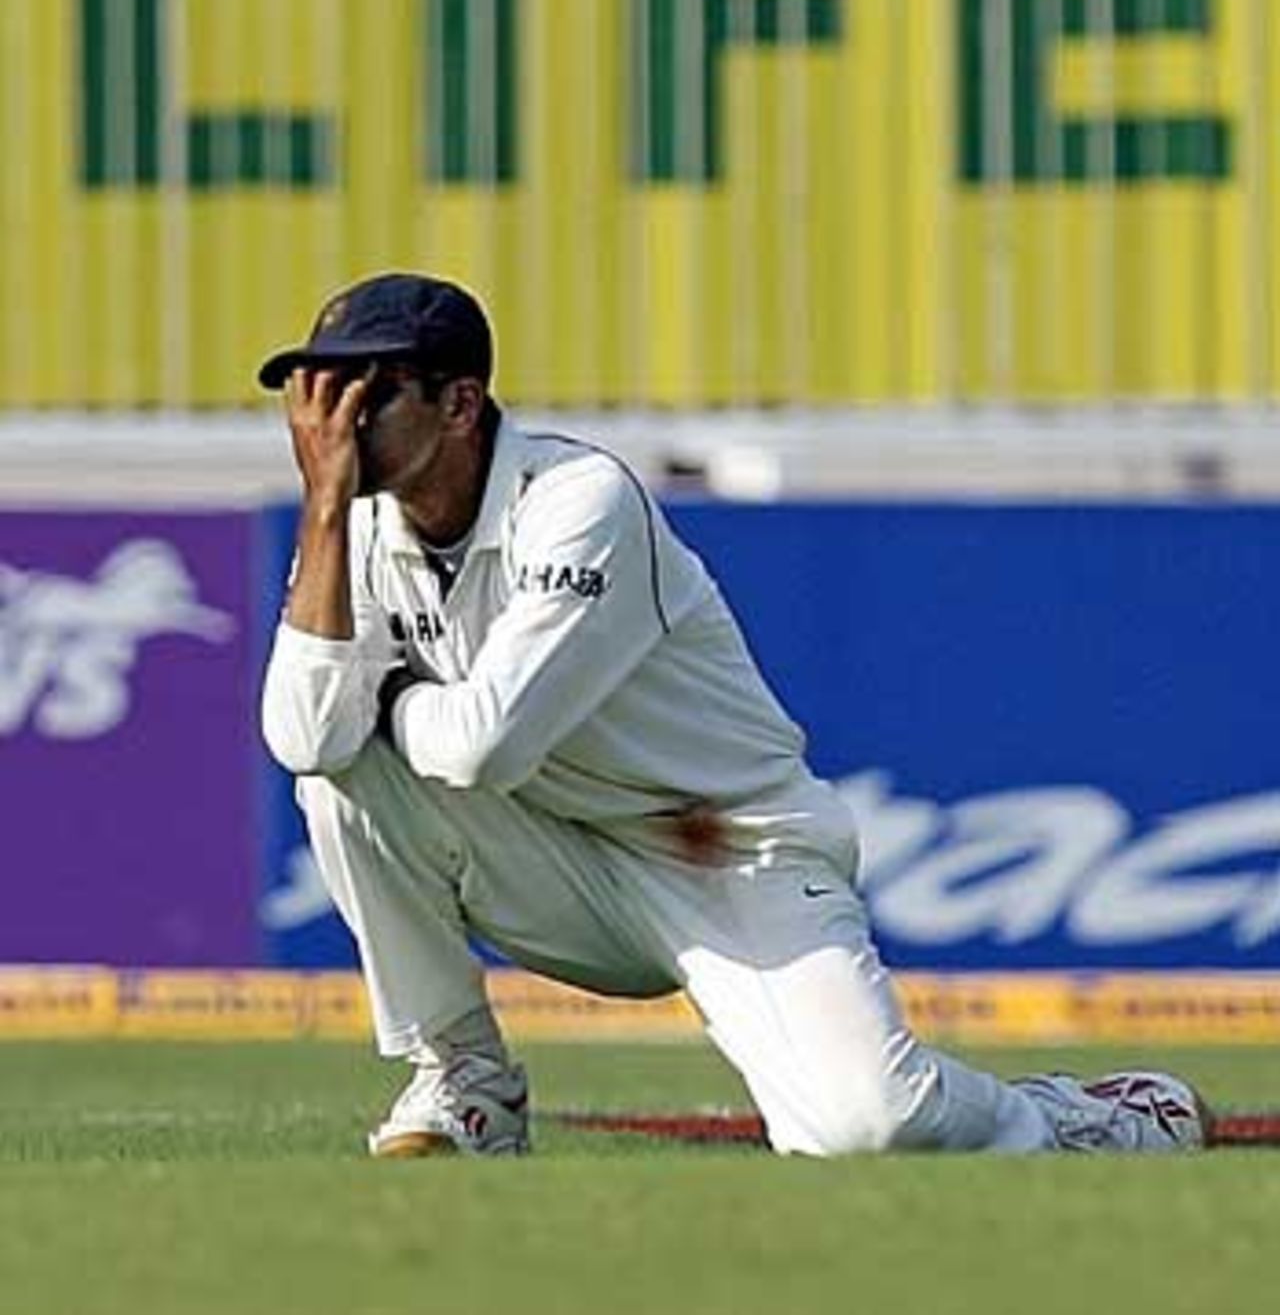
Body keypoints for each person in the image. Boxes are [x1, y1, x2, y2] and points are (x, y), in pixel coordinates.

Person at [259, 273, 1210, 1159]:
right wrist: (325, 511)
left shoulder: (578, 500)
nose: (334, 427)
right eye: (320, 395)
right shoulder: (355, 524)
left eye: (368, 394)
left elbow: (486, 746)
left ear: (461, 403)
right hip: (557, 863)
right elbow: (305, 737)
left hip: (723, 853)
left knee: (862, 1128)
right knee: (339, 773)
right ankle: (464, 1077)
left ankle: (1077, 1119)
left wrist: (389, 696)